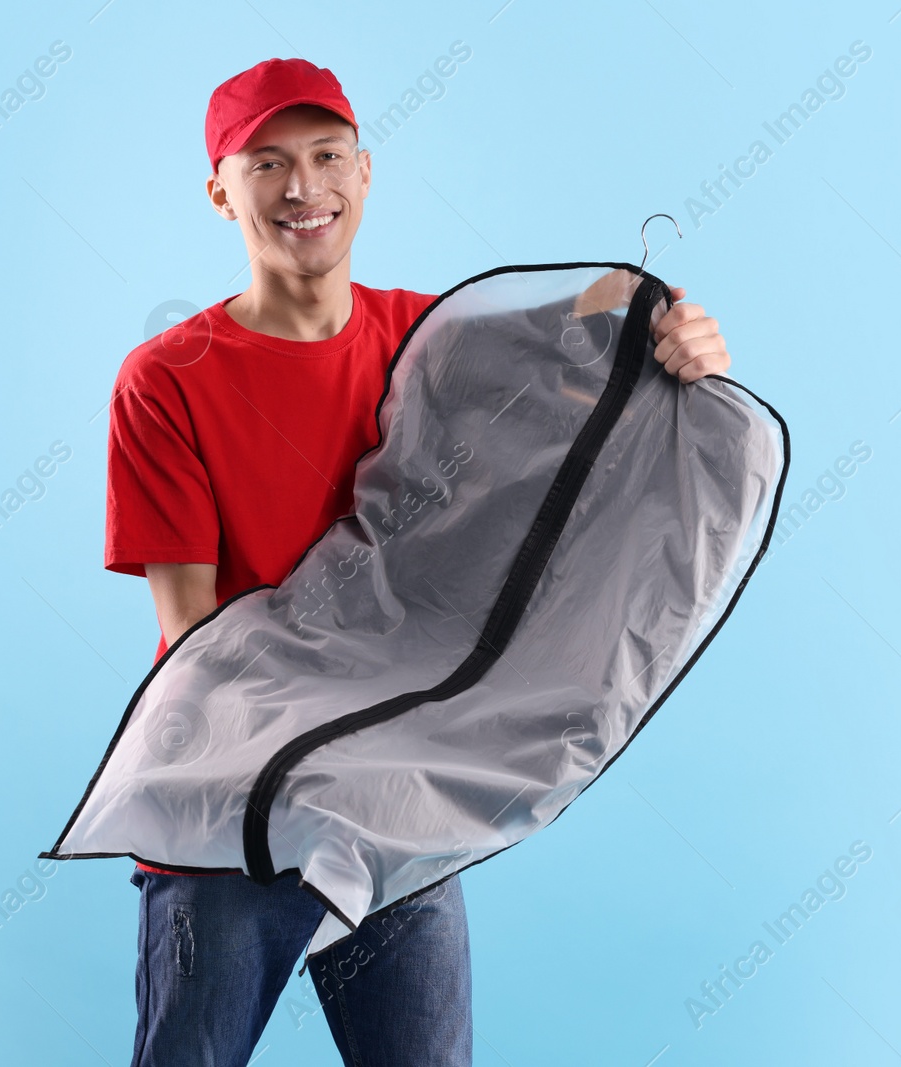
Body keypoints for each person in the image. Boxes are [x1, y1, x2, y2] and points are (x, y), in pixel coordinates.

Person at [104, 57, 732, 1066]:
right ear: (221, 191)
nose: (303, 187)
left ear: (365, 171)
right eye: (267, 163)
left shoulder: (433, 343)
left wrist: (674, 338)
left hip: (394, 811)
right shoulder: (166, 380)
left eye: (325, 156)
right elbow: (195, 637)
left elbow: (591, 326)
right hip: (225, 806)